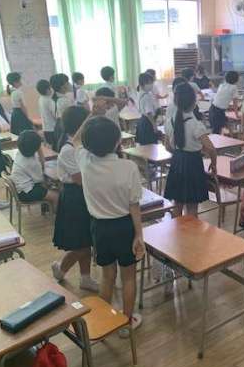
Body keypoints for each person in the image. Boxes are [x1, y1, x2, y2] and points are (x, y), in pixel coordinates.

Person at [72, 99, 145, 335]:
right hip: (124, 227)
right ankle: (126, 323)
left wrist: (91, 115)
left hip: (99, 228)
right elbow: (134, 205)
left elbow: (75, 140)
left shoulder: (85, 161)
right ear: (117, 142)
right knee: (129, 277)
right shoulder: (128, 167)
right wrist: (139, 235)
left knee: (107, 276)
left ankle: (105, 322)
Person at [52, 106, 98, 292]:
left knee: (85, 241)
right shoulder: (68, 150)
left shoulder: (79, 146)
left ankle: (85, 278)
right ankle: (61, 269)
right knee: (82, 245)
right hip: (74, 198)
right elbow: (80, 180)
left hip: (82, 195)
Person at [164, 82, 217, 217]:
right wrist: (213, 164)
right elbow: (211, 149)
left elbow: (167, 146)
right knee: (192, 206)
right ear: (194, 103)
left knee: (177, 203)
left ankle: (176, 229)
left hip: (177, 162)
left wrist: (180, 153)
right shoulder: (196, 125)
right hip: (193, 164)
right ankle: (191, 231)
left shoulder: (169, 121)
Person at [10, 130, 58, 208]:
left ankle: (47, 208)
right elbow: (40, 180)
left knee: (51, 185)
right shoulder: (31, 163)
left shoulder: (21, 152)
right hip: (26, 192)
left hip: (22, 188)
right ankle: (56, 213)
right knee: (56, 195)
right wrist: (39, 149)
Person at [135, 72, 162, 145]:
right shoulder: (146, 96)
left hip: (142, 121)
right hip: (148, 122)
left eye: (151, 82)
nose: (151, 85)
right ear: (143, 84)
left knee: (144, 146)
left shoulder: (139, 93)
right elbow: (149, 113)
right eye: (149, 83)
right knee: (151, 146)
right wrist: (154, 126)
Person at [50, 73, 73, 152]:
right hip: (65, 127)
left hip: (59, 126)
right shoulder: (64, 100)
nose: (69, 84)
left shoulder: (56, 98)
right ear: (62, 86)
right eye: (67, 82)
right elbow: (71, 116)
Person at [36, 79, 56, 147]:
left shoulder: (40, 99)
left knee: (51, 147)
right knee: (56, 148)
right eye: (50, 88)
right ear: (47, 89)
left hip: (45, 128)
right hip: (53, 128)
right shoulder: (49, 100)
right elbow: (55, 115)